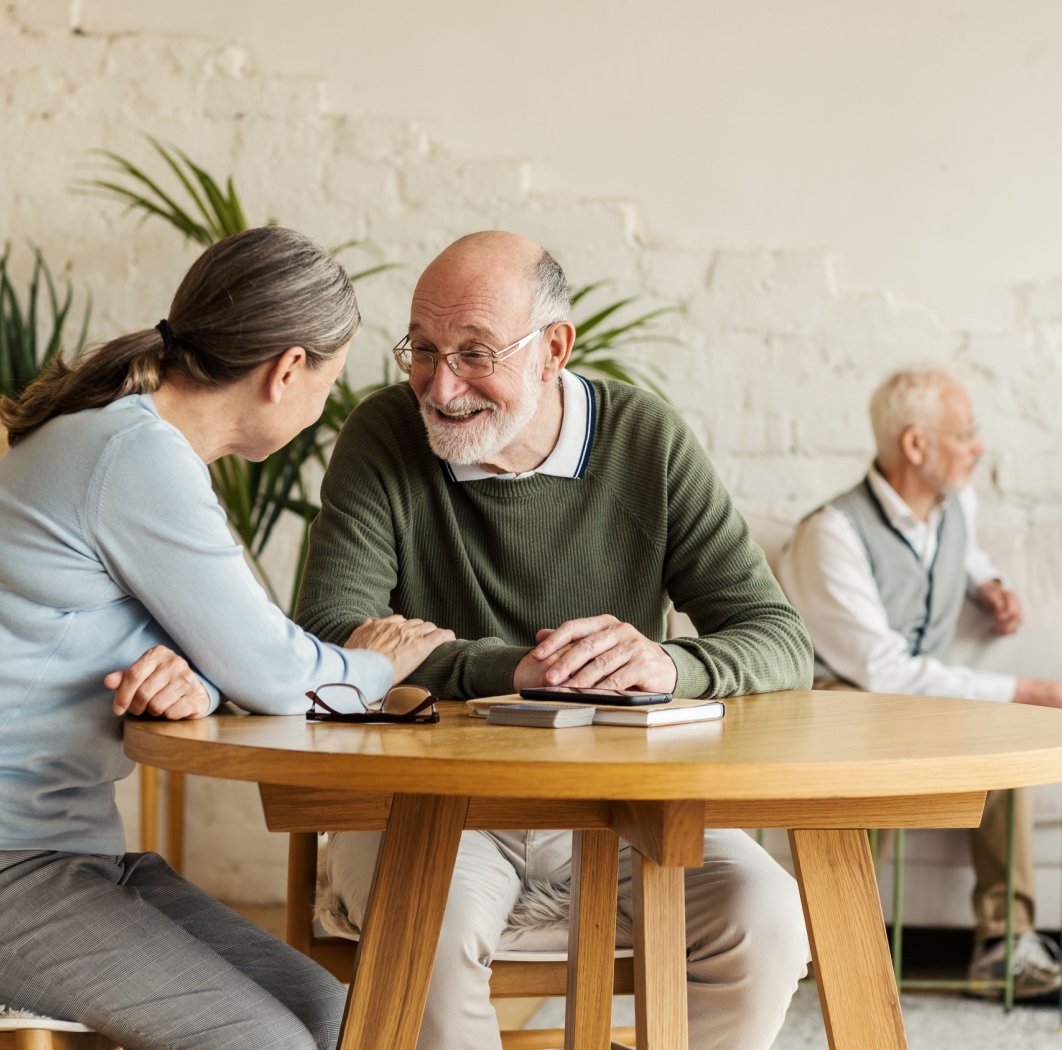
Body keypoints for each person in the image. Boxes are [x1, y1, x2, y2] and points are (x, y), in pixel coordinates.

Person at [0, 226, 453, 1050]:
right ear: (287, 370)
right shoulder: (134, 456)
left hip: (48, 861)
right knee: (265, 1044)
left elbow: (208, 645)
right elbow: (277, 673)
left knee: (338, 1020)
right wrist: (381, 661)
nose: (323, 407)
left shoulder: (129, 442)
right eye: (329, 382)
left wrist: (190, 678)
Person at [296, 230, 814, 1050]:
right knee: (421, 931)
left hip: (627, 803)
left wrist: (666, 666)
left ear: (553, 350)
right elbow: (330, 641)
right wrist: (516, 672)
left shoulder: (645, 439)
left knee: (770, 918)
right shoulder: (384, 435)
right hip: (434, 806)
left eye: (474, 353)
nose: (441, 384)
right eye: (422, 350)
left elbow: (780, 639)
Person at [776, 365, 1062, 1000]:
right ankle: (836, 940)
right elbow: (881, 671)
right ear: (916, 447)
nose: (979, 446)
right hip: (845, 698)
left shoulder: (955, 505)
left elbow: (957, 548)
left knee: (1003, 742)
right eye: (966, 433)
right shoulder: (830, 534)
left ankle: (1005, 947)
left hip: (914, 700)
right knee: (884, 723)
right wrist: (1022, 690)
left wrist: (988, 584)